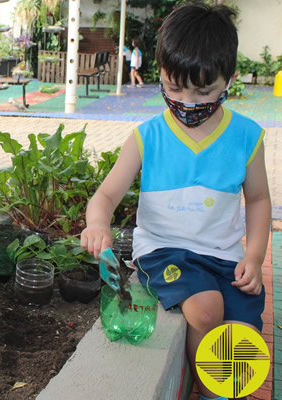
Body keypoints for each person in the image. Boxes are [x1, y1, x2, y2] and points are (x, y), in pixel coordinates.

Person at [80, 4, 270, 400]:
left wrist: (253, 257)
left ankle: (225, 389)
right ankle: (208, 390)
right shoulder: (147, 136)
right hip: (166, 250)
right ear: (161, 76)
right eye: (174, 87)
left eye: (204, 91)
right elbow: (107, 193)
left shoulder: (247, 137)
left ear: (229, 81)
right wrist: (98, 222)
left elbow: (257, 199)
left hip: (224, 255)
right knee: (205, 310)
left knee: (243, 331)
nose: (187, 100)